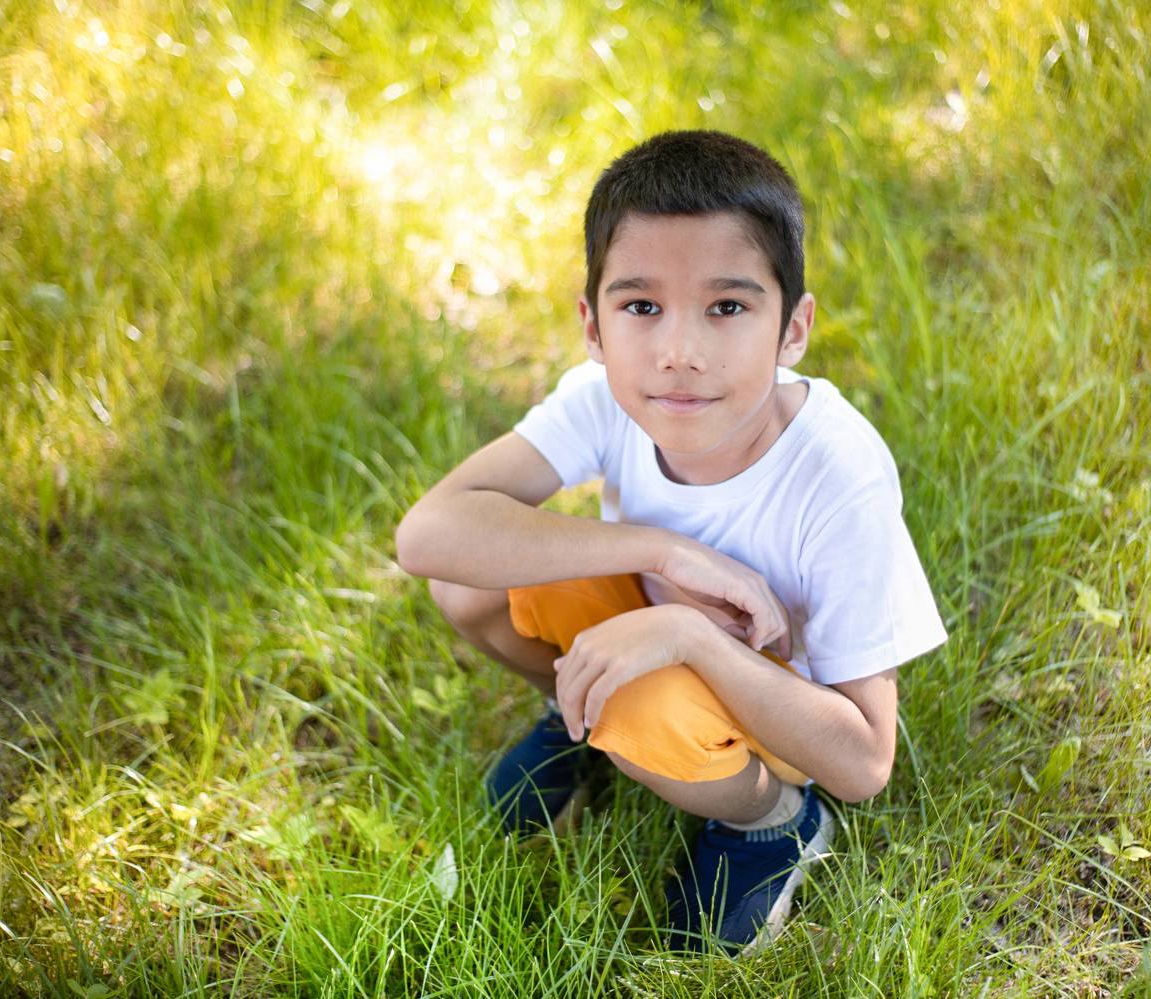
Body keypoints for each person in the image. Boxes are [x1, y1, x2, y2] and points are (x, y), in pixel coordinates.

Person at [394, 129, 947, 953]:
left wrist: (688, 633)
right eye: (642, 307)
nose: (679, 354)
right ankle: (582, 713)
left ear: (793, 329)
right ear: (592, 324)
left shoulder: (837, 475)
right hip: (646, 623)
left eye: (727, 307)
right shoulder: (605, 398)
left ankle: (768, 820)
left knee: (641, 705)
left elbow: (865, 762)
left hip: (774, 706)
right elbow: (428, 535)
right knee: (473, 576)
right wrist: (660, 551)